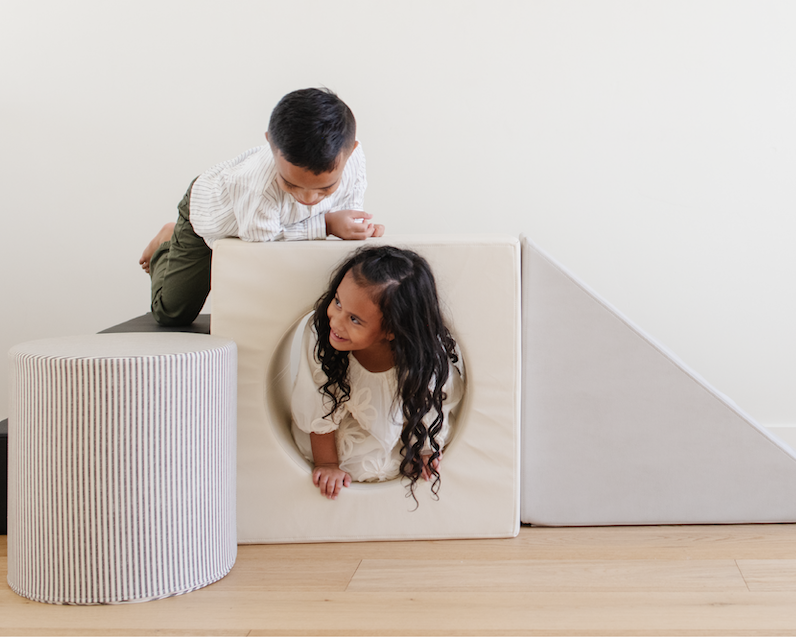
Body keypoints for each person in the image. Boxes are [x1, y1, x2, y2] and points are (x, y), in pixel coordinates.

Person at [139, 87, 384, 327]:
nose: (308, 199)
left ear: (351, 150)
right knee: (171, 314)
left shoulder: (353, 159)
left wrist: (357, 229)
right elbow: (261, 239)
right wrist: (327, 224)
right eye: (290, 184)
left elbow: (351, 207)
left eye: (325, 188)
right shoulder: (255, 184)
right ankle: (168, 238)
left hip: (263, 219)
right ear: (270, 144)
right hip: (208, 215)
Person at [291, 245, 464, 503]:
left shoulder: (421, 354)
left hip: (404, 429)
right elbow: (319, 406)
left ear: (392, 331)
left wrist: (427, 449)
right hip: (343, 433)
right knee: (362, 460)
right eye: (337, 302)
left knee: (406, 456)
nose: (336, 321)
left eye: (354, 319)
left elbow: (432, 400)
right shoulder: (322, 339)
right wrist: (327, 464)